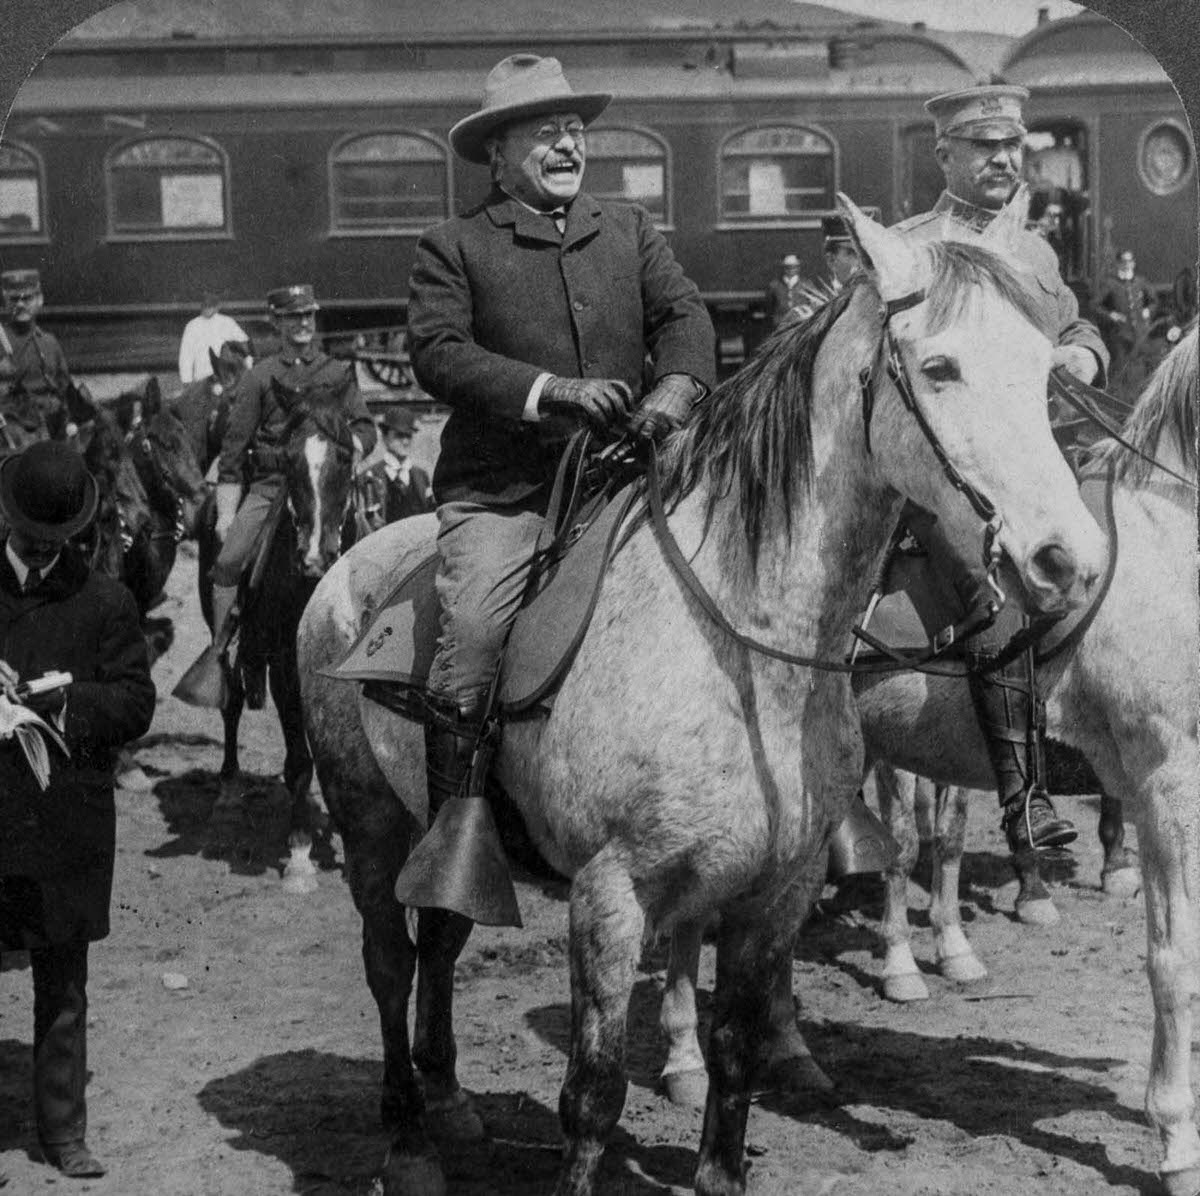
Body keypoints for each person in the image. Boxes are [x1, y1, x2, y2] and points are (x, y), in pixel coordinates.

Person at [404, 53, 716, 888]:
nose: (567, 144)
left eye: (575, 130)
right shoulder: (454, 245)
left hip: (627, 478)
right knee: (470, 638)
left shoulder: (628, 229)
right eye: (545, 133)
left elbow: (685, 314)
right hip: (508, 492)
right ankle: (458, 845)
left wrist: (675, 394)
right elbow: (438, 353)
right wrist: (552, 392)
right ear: (499, 155)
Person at [893, 84, 1110, 854]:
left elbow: (1073, 321)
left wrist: (1083, 350)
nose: (1002, 160)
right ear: (944, 153)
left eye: (1012, 146)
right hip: (955, 473)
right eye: (984, 147)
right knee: (1001, 594)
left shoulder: (1034, 248)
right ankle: (1026, 796)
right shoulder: (912, 247)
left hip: (1039, 455)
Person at [0, 441, 155, 1181]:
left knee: (63, 983)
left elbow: (134, 702)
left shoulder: (105, 602)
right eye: (32, 540)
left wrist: (66, 700)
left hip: (64, 822)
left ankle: (63, 1134)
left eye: (56, 543)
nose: (42, 553)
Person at [204, 284, 376, 655]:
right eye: (292, 317)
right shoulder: (260, 377)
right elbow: (233, 450)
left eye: (307, 315)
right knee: (229, 560)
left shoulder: (337, 372)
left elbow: (365, 426)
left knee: (375, 556)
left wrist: (351, 448)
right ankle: (222, 654)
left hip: (327, 488)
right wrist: (226, 512)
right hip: (270, 486)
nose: (302, 323)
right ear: (276, 321)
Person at [0, 270, 95, 442]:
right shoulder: (1, 341)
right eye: (14, 299)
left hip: (53, 424)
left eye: (27, 298)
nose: (21, 305)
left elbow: (65, 386)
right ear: (5, 302)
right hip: (14, 428)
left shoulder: (49, 342)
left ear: (39, 300)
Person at [357, 406, 433, 528]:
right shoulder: (367, 478)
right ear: (385, 437)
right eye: (399, 435)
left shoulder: (421, 476)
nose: (405, 442)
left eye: (408, 436)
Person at [1096, 249, 1156, 380]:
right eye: (1123, 261)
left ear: (1133, 263)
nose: (1127, 264)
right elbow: (1095, 306)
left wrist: (1148, 311)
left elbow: (1153, 302)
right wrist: (1111, 315)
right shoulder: (1110, 283)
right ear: (1118, 264)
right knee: (1120, 370)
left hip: (1140, 334)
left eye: (1129, 261)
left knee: (1144, 368)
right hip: (1120, 335)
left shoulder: (1141, 282)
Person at [177, 291, 250, 385]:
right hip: (202, 379)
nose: (207, 309)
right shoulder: (192, 326)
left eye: (210, 306)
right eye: (205, 306)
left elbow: (244, 345)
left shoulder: (227, 323)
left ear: (217, 307)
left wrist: (247, 371)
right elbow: (186, 355)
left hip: (226, 378)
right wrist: (186, 379)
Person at [763, 253, 806, 327]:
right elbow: (769, 306)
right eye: (788, 267)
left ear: (798, 268)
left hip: (801, 323)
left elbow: (811, 305)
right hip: (780, 324)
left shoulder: (806, 285)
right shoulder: (774, 285)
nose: (791, 270)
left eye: (794, 267)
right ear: (783, 268)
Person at [821, 214, 863, 286]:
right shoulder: (820, 296)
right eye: (851, 253)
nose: (861, 264)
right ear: (831, 260)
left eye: (866, 255)